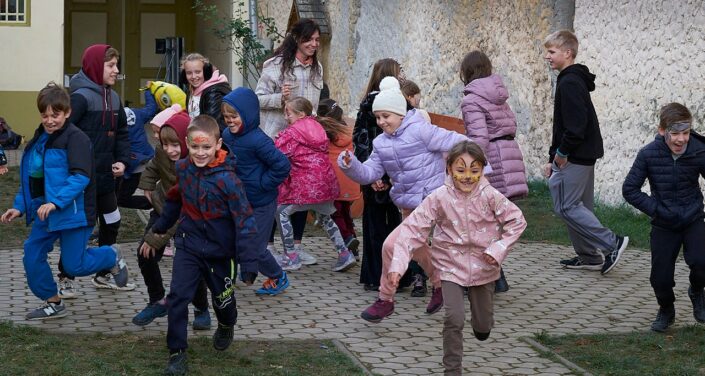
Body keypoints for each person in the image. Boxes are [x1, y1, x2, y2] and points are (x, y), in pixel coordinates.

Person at [339, 76, 473, 322]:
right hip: (408, 204)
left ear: (400, 113)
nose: (381, 122)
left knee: (392, 246)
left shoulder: (421, 130)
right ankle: (440, 284)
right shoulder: (380, 143)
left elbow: (460, 142)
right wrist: (351, 166)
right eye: (378, 117)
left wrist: (476, 172)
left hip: (431, 200)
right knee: (419, 248)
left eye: (386, 116)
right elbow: (370, 173)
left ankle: (385, 299)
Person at [388, 140, 526, 375]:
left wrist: (498, 249)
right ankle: (452, 370)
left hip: (484, 267)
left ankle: (482, 326)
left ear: (482, 170)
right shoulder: (438, 197)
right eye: (460, 170)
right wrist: (398, 266)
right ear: (449, 169)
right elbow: (412, 230)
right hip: (449, 266)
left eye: (474, 170)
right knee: (454, 317)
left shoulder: (490, 195)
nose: (467, 177)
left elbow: (517, 221)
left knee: (482, 326)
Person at [0, 82, 129, 320]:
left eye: (55, 115)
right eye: (45, 115)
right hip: (46, 213)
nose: (49, 120)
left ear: (67, 112)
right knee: (31, 253)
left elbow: (81, 177)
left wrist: (56, 203)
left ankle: (112, 256)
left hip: (73, 213)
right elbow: (32, 181)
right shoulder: (39, 141)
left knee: (73, 266)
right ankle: (53, 302)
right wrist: (19, 207)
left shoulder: (76, 139)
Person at [152, 115, 257, 375]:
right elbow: (176, 198)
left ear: (218, 145)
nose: (200, 153)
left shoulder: (229, 180)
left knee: (222, 300)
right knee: (177, 297)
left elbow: (244, 220)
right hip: (188, 245)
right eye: (195, 147)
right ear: (187, 143)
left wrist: (250, 261)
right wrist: (163, 224)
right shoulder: (184, 169)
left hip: (220, 253)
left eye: (206, 147)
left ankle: (226, 323)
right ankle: (177, 352)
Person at [542, 30, 628, 274]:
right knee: (581, 208)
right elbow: (563, 124)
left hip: (575, 155)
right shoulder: (571, 79)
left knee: (567, 206)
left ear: (568, 53)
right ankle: (589, 256)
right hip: (582, 154)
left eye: (552, 52)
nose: (547, 57)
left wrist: (560, 153)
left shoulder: (569, 82)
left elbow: (575, 127)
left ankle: (613, 243)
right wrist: (553, 154)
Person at [623, 103, 705, 332]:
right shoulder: (648, 154)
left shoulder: (698, 150)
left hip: (692, 218)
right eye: (675, 133)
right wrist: (657, 209)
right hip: (664, 223)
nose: (681, 139)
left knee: (701, 263)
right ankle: (666, 309)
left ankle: (697, 291)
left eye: (686, 133)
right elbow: (630, 189)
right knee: (660, 278)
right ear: (662, 131)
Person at [132, 108, 212, 329]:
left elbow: (182, 211)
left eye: (175, 145)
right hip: (162, 207)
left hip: (188, 217)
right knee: (145, 255)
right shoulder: (162, 152)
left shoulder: (196, 166)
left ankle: (201, 309)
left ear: (188, 141)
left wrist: (155, 236)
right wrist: (147, 185)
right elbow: (153, 167)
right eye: (166, 144)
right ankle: (157, 300)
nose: (170, 150)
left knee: (190, 267)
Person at [60, 44, 131, 291]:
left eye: (116, 65)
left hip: (105, 180)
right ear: (94, 66)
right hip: (82, 182)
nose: (116, 70)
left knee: (112, 222)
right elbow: (62, 134)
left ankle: (103, 274)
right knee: (79, 227)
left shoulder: (114, 97)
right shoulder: (79, 98)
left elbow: (122, 132)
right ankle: (65, 278)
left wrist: (122, 160)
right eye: (111, 65)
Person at [460, 50, 529, 293]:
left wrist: (473, 170)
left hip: (493, 161)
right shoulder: (499, 96)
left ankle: (487, 277)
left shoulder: (471, 100)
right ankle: (496, 277)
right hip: (510, 155)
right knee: (493, 221)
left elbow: (479, 137)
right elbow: (510, 125)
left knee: (480, 221)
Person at [256, 18, 324, 260]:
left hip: (304, 142)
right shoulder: (275, 66)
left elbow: (313, 106)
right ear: (297, 39)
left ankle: (295, 247)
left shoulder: (317, 67)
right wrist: (279, 99)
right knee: (276, 193)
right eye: (310, 39)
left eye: (317, 40)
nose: (315, 44)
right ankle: (268, 246)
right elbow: (258, 99)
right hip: (277, 140)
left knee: (300, 193)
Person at [221, 87, 292, 295]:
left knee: (256, 248)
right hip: (238, 201)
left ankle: (278, 276)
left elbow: (282, 165)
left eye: (234, 116)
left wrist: (263, 183)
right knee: (233, 240)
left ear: (248, 114)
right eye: (226, 117)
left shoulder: (259, 140)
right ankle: (233, 275)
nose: (230, 121)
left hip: (261, 203)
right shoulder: (226, 135)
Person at [274, 97, 357, 272]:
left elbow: (278, 152)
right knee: (325, 216)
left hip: (305, 185)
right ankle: (344, 254)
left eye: (288, 112)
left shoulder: (293, 132)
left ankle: (291, 256)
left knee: (281, 212)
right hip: (325, 182)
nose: (285, 116)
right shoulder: (318, 127)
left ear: (301, 114)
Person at [353, 58, 404, 292]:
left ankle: (374, 276)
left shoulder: (366, 104)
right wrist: (379, 176)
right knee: (395, 225)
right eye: (399, 72)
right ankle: (395, 276)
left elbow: (360, 142)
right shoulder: (390, 106)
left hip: (374, 172)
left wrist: (370, 175)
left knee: (374, 226)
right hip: (389, 172)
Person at [317, 98, 361, 257]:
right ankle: (354, 247)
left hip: (333, 180)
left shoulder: (323, 133)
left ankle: (347, 238)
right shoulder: (347, 130)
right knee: (346, 212)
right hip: (350, 178)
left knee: (335, 213)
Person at [115, 87, 158, 210]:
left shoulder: (114, 120)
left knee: (121, 197)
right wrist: (148, 91)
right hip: (145, 158)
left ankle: (154, 202)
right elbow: (151, 109)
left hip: (131, 163)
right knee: (119, 195)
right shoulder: (136, 113)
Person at [180, 53, 231, 131]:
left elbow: (211, 126)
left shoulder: (213, 93)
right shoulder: (191, 89)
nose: (193, 76)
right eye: (189, 73)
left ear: (206, 71)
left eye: (197, 72)